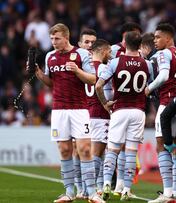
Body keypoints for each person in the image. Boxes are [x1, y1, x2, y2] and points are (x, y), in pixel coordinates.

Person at [34, 23, 104, 203]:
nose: (53, 42)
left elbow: (93, 79)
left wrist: (77, 70)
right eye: (51, 39)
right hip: (58, 110)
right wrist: (39, 74)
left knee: (84, 149)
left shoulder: (81, 54)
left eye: (56, 38)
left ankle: (92, 193)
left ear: (66, 37)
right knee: (64, 149)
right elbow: (52, 83)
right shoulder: (50, 56)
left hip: (79, 109)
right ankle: (69, 192)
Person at [96, 31, 150, 201]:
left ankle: (106, 183)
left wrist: (105, 103)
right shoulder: (147, 64)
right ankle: (126, 189)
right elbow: (150, 87)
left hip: (119, 110)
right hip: (138, 111)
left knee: (112, 150)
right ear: (140, 46)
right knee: (131, 152)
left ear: (124, 44)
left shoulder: (115, 62)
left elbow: (98, 86)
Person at [145, 23, 176, 203]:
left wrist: (148, 89)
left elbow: (163, 76)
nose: (155, 41)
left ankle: (167, 193)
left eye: (157, 37)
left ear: (168, 38)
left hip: (166, 105)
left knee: (162, 145)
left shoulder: (164, 54)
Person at [110, 22, 143, 194]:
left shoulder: (141, 54)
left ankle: (119, 184)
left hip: (126, 105)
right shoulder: (113, 50)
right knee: (118, 146)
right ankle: (116, 183)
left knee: (121, 146)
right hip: (118, 103)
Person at [86, 38, 112, 197]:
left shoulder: (85, 68)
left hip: (87, 113)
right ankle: (90, 190)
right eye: (109, 51)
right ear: (102, 51)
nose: (110, 54)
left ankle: (97, 187)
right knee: (97, 153)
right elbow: (104, 89)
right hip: (100, 115)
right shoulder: (103, 69)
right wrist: (107, 103)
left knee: (95, 154)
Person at [73, 28, 97, 199]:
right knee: (76, 149)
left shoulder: (104, 63)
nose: (89, 46)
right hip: (81, 111)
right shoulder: (74, 63)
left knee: (95, 152)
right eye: (86, 42)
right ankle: (80, 188)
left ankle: (99, 187)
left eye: (93, 43)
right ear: (79, 45)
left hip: (98, 114)